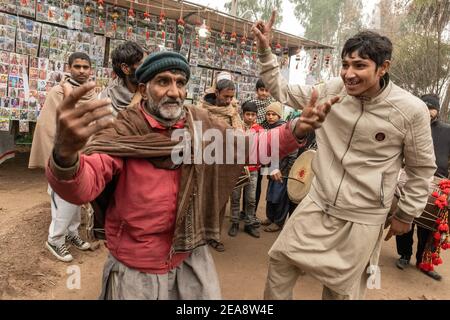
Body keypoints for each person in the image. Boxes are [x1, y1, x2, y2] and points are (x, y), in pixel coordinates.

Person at [45, 51, 336, 300]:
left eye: (180, 82)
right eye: (163, 82)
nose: (174, 91)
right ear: (144, 89)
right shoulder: (123, 132)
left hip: (190, 256)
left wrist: (295, 129)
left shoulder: (199, 126)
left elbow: (249, 147)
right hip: (138, 269)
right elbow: (83, 186)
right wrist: (65, 155)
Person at [252, 11, 436, 300]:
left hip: (362, 217)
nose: (349, 74)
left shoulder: (410, 110)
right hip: (317, 203)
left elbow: (422, 168)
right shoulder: (331, 91)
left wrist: (407, 214)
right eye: (345, 64)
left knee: (341, 292)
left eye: (360, 65)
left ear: (383, 67)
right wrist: (265, 50)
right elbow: (283, 90)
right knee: (280, 261)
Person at [29, 52, 93, 262]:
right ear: (69, 68)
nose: (82, 71)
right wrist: (57, 160)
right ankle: (55, 239)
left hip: (84, 154)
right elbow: (48, 127)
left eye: (85, 67)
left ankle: (72, 233)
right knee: (63, 197)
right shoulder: (58, 92)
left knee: (77, 197)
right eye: (77, 66)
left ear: (91, 70)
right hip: (64, 156)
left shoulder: (92, 93)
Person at [395, 93, 450, 281]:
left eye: (431, 108)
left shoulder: (447, 131)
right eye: (424, 107)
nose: (428, 111)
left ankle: (423, 261)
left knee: (429, 227)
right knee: (405, 215)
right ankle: (404, 255)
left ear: (437, 110)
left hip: (438, 184)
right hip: (411, 178)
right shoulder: (410, 125)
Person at [198, 72, 243, 252]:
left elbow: (240, 134)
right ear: (216, 93)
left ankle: (214, 237)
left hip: (224, 163)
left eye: (232, 97)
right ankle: (197, 235)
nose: (229, 100)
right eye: (226, 96)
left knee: (220, 199)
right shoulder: (201, 109)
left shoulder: (233, 112)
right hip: (203, 161)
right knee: (201, 198)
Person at [260, 102, 298, 233]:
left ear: (279, 116)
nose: (270, 117)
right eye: (268, 114)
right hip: (273, 168)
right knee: (270, 195)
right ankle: (270, 218)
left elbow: (292, 152)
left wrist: (286, 171)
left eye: (273, 114)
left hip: (282, 171)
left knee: (280, 197)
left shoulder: (284, 129)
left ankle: (278, 222)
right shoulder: (269, 128)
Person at [228, 100, 263, 238]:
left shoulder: (260, 130)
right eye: (247, 114)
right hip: (237, 169)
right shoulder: (237, 129)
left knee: (251, 199)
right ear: (243, 115)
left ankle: (249, 223)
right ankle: (234, 222)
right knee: (235, 197)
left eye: (253, 114)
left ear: (256, 116)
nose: (250, 117)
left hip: (253, 170)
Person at [99, 41, 145, 116]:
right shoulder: (104, 99)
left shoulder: (150, 94)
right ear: (126, 68)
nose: (147, 67)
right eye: (142, 64)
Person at [251, 79, 276, 212]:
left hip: (265, 150)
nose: (264, 93)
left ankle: (253, 212)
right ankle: (244, 212)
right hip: (251, 148)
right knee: (247, 179)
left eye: (267, 90)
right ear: (257, 91)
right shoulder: (251, 105)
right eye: (262, 90)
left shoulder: (273, 107)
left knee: (259, 181)